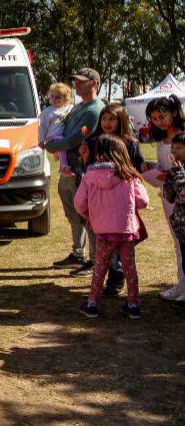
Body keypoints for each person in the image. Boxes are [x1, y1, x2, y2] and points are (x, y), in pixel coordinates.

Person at [75, 135, 149, 319]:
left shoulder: (90, 175)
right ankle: (133, 305)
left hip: (103, 231)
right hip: (126, 230)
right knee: (129, 267)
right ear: (122, 153)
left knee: (100, 267)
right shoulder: (130, 176)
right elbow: (143, 201)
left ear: (98, 153)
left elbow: (79, 203)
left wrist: (90, 215)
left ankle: (92, 304)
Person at [43, 68, 106, 277]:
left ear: (94, 83)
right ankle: (78, 253)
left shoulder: (95, 109)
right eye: (76, 82)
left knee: (89, 216)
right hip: (69, 170)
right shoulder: (78, 107)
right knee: (74, 215)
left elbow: (74, 139)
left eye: (81, 82)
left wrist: (52, 146)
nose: (76, 85)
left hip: (84, 171)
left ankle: (95, 260)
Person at [80, 103, 147, 297]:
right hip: (101, 204)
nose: (107, 123)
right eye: (104, 118)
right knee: (105, 247)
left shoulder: (130, 143)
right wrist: (85, 158)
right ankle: (113, 281)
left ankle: (116, 280)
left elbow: (137, 170)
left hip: (123, 204)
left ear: (121, 120)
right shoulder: (94, 142)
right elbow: (89, 176)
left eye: (112, 119)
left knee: (122, 247)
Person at [144, 95, 185, 301]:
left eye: (162, 116)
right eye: (155, 118)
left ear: (174, 113)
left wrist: (167, 174)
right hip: (168, 198)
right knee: (177, 241)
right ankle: (181, 284)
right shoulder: (160, 141)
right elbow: (164, 165)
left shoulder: (182, 137)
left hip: (182, 197)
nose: (159, 121)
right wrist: (151, 168)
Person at [162, 131, 185, 312]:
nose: (174, 151)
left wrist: (177, 174)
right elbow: (170, 197)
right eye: (173, 148)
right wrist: (169, 178)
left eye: (180, 148)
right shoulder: (176, 170)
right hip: (181, 226)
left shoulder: (180, 172)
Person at [39, 83, 74, 176]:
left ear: (66, 99)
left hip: (62, 136)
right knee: (61, 141)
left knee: (63, 141)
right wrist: (41, 140)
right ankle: (64, 167)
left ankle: (58, 153)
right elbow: (42, 127)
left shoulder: (68, 108)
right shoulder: (47, 112)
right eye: (52, 96)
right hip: (52, 137)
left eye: (58, 97)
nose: (54, 99)